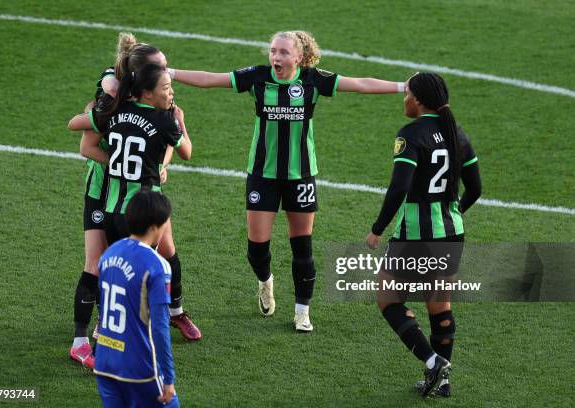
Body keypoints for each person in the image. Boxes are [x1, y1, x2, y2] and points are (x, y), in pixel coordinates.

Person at [168, 30, 404, 331]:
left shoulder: (313, 80)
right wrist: (170, 72)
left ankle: (302, 310)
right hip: (262, 175)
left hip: (301, 176)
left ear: (299, 57)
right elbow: (210, 79)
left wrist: (402, 86)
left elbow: (359, 84)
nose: (276, 57)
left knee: (302, 247)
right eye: (272, 51)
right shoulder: (257, 78)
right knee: (256, 249)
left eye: (282, 52)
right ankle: (265, 282)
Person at [70, 33, 202, 342]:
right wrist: (128, 167)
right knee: (100, 263)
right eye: (163, 68)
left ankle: (175, 312)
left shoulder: (158, 96)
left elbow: (166, 141)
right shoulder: (112, 97)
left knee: (166, 249)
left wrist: (158, 165)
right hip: (104, 188)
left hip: (140, 192)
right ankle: (91, 336)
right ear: (141, 76)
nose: (168, 74)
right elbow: (86, 145)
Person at [366, 72, 482, 397]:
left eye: (405, 94)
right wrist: (452, 213)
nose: (403, 99)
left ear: (416, 100)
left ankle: (433, 363)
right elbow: (475, 188)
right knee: (439, 305)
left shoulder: (410, 134)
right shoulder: (456, 133)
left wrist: (377, 229)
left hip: (415, 236)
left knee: (387, 296)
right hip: (452, 233)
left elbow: (399, 187)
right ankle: (442, 383)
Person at [94, 190, 179, 408]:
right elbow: (160, 328)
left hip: (104, 363)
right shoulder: (156, 266)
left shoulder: (108, 255)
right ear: (154, 228)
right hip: (140, 369)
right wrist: (168, 378)